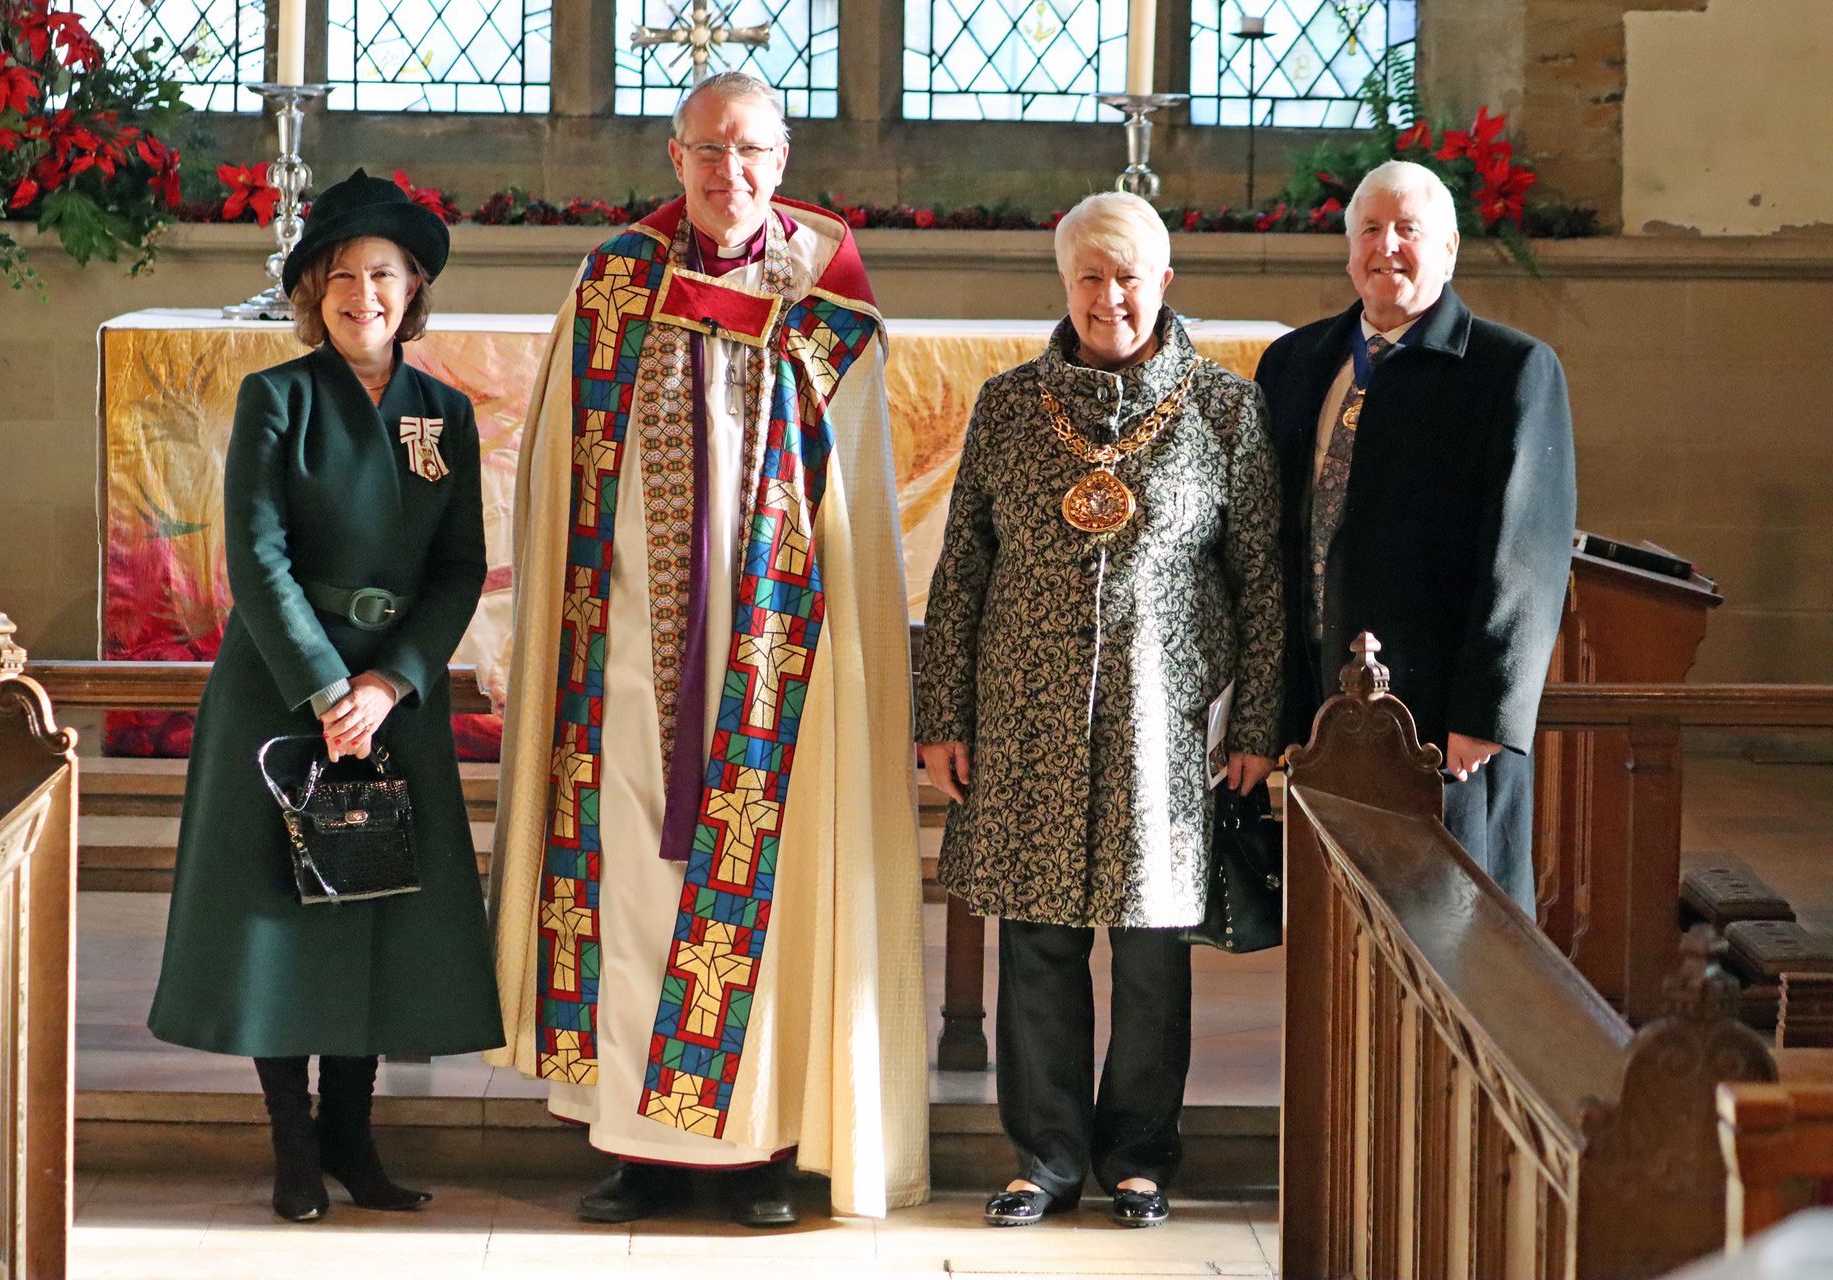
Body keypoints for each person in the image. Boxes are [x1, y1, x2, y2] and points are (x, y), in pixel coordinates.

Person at [482, 71, 926, 1226]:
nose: (729, 173)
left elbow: (855, 497)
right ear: (673, 159)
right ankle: (639, 1147)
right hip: (624, 643)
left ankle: (761, 1150)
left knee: (767, 887)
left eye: (751, 151)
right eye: (707, 150)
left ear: (781, 161)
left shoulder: (828, 286)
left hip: (783, 655)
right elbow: (555, 468)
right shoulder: (616, 279)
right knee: (629, 872)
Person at [915, 191, 1285, 1230]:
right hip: (1023, 708)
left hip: (1160, 721)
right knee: (1035, 936)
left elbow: (1260, 579)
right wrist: (942, 708)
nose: (1109, 295)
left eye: (1129, 275)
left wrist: (1255, 723)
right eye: (1090, 275)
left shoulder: (1223, 408)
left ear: (1164, 283)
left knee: (1152, 942)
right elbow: (962, 569)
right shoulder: (1006, 403)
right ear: (1063, 284)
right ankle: (1046, 1153)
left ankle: (1138, 1152)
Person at [147, 169, 503, 1223]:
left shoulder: (444, 412)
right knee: (280, 916)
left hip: (396, 696)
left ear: (414, 288)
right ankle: (293, 1145)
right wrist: (326, 684)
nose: (364, 293)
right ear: (313, 293)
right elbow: (254, 558)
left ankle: (355, 1135)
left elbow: (457, 567)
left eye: (383, 274)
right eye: (342, 275)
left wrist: (392, 681)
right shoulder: (279, 397)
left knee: (374, 913)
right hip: (281, 687)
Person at [1254, 159, 1576, 913]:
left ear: (1450, 249)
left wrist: (1485, 712)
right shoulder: (1295, 362)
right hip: (1322, 709)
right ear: (1348, 247)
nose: (1386, 246)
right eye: (1370, 228)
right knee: (1332, 926)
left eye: (1408, 230)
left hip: (1441, 722)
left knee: (1455, 931)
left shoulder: (1512, 370)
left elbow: (1525, 556)